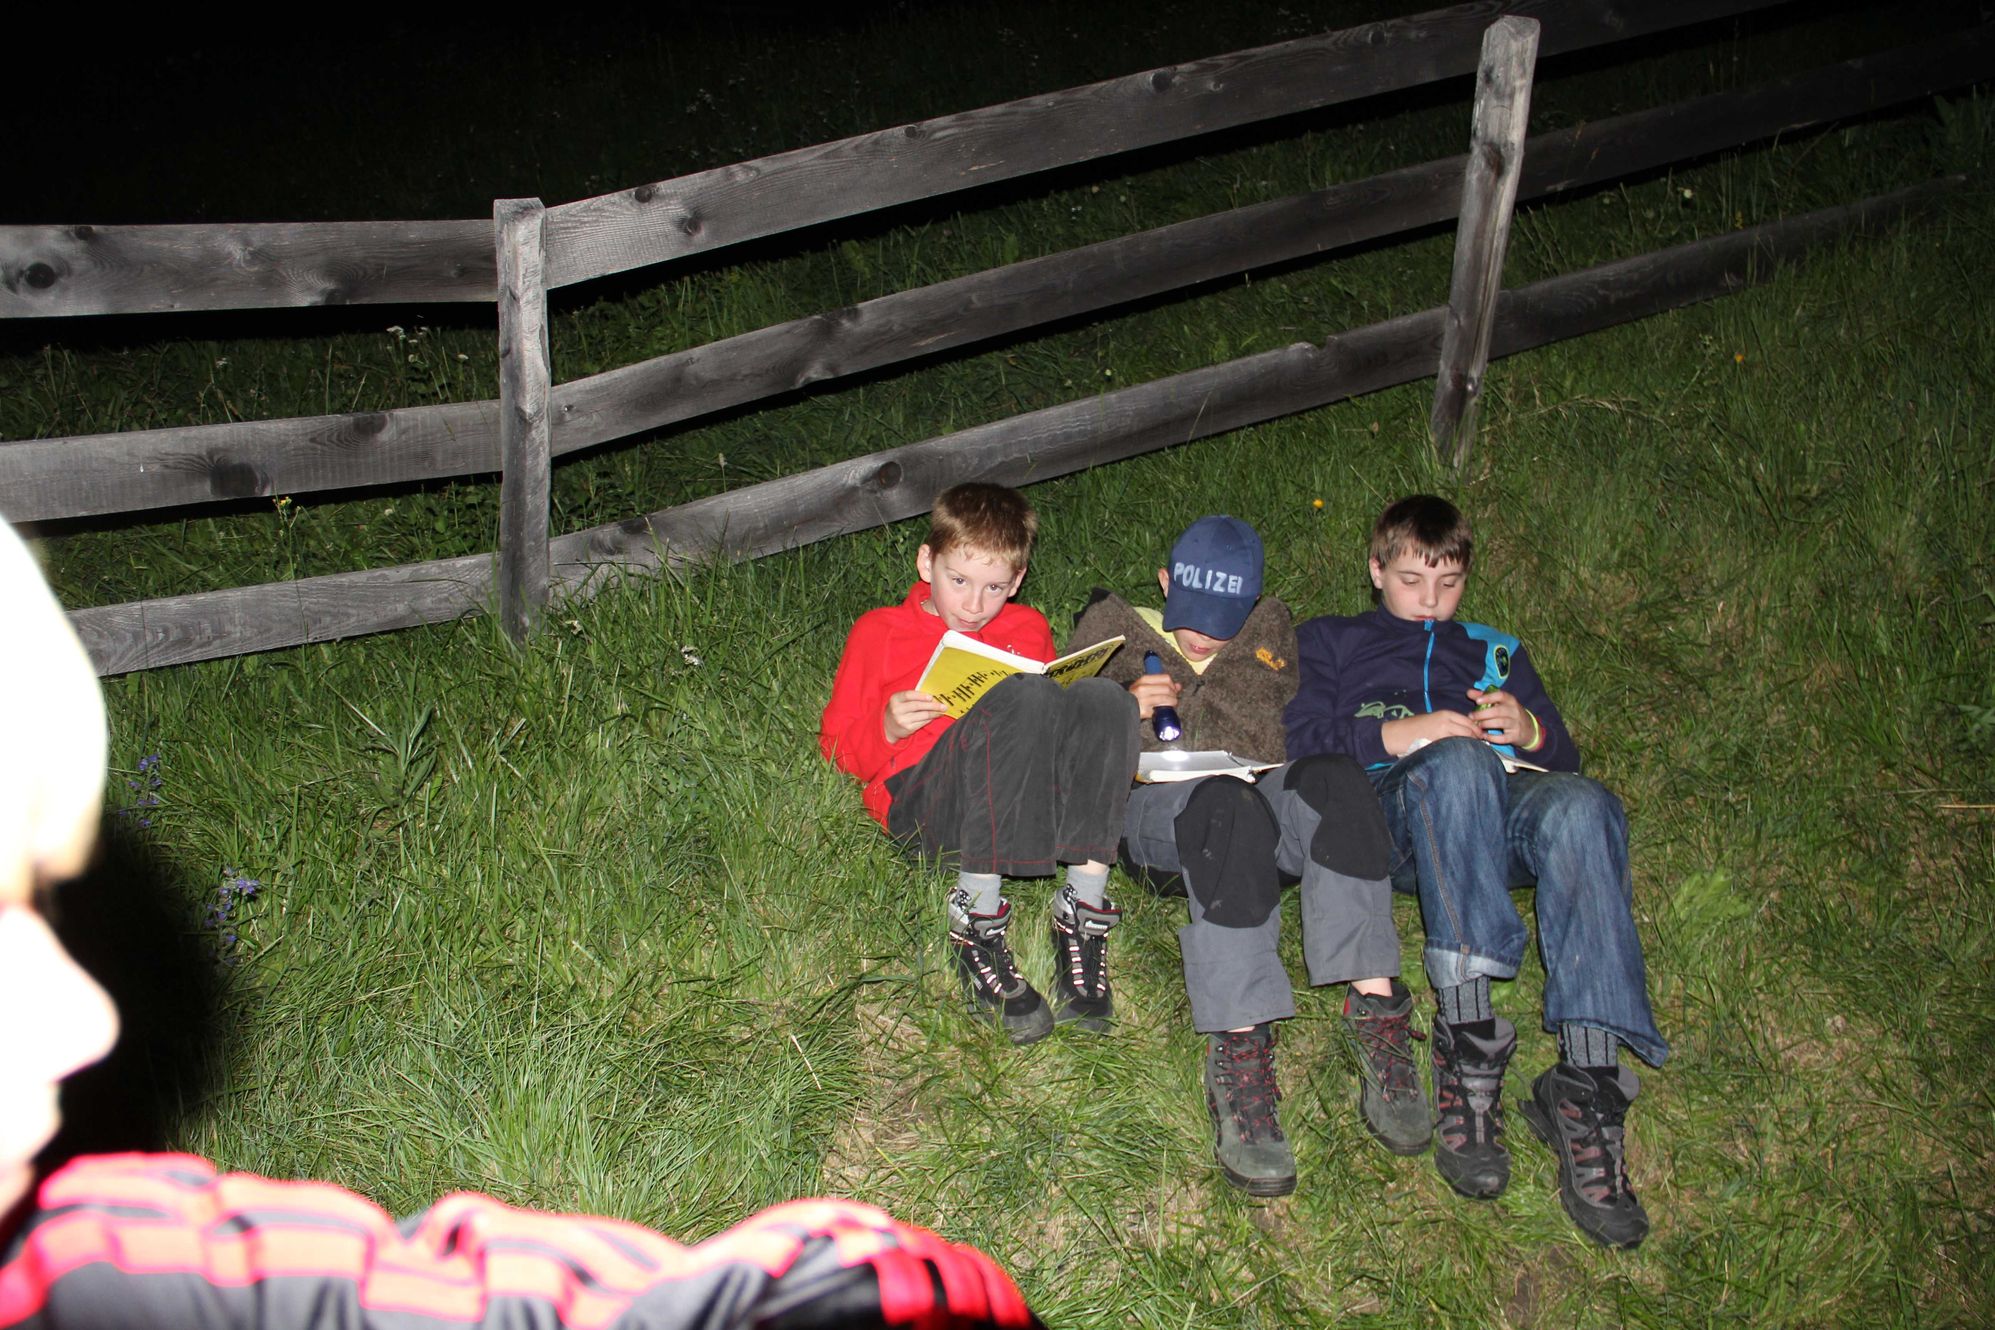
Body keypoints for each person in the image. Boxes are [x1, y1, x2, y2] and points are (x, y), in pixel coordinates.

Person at [0, 515, 1039, 1330]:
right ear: (926, 564)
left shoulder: (108, 1253)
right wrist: (909, 1278)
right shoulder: (133, 1265)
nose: (90, 1018)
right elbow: (527, 1291)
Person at [1283, 494, 1668, 1249]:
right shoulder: (1331, 639)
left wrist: (1530, 729)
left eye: (1449, 583)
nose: (1430, 600)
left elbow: (1561, 759)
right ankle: (1467, 1041)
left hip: (1496, 812)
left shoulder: (1495, 650)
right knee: (1456, 761)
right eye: (1410, 581)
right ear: (1375, 571)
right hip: (1398, 819)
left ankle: (1585, 1086)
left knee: (1584, 805)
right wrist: (1404, 733)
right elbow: (1298, 737)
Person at [1069, 516, 1422, 1199]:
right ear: (1165, 583)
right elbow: (1059, 735)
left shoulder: (1270, 637)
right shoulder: (1111, 631)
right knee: (1224, 804)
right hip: (1162, 819)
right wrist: (1119, 706)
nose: (1203, 636)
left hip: (1259, 801)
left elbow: (1286, 728)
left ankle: (1376, 1011)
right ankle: (1239, 1051)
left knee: (1335, 777)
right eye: (1191, 615)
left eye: (1224, 622)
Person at [819, 484, 1137, 1044]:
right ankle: (975, 917)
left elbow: (1051, 728)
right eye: (959, 580)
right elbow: (836, 752)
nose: (973, 605)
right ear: (927, 563)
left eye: (994, 588)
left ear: (1016, 582)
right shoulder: (880, 632)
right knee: (1023, 696)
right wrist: (886, 727)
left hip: (1018, 801)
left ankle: (1082, 911)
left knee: (1105, 699)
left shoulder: (1027, 628)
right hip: (927, 803)